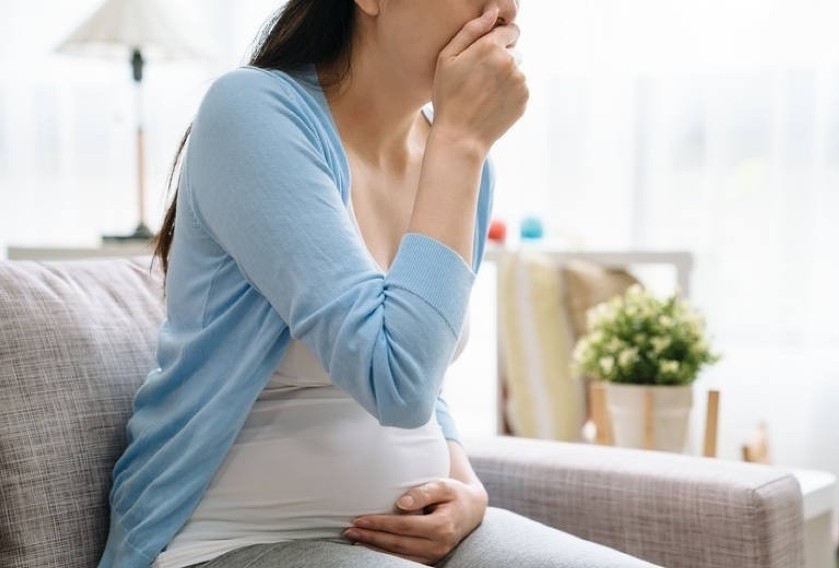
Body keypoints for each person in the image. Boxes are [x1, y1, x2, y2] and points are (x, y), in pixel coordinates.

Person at [99, 1, 658, 567]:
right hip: (232, 538)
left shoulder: (456, 157)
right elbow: (397, 381)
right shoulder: (252, 112)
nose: (506, 7)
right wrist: (462, 144)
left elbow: (427, 366)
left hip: (415, 541)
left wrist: (468, 489)